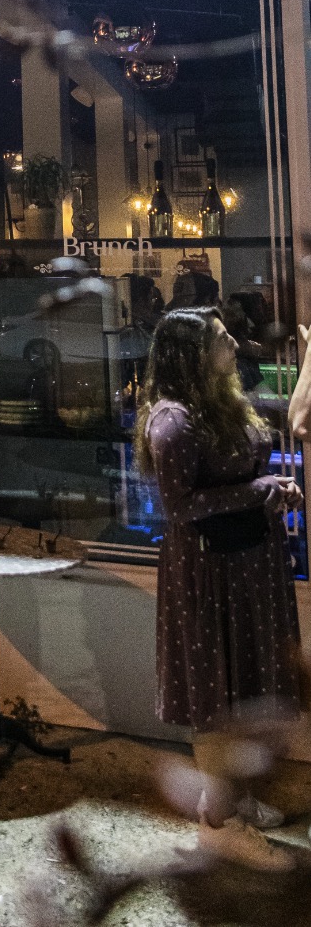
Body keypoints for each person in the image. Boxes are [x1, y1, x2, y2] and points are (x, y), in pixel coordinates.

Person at [134, 308, 302, 835]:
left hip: (249, 561)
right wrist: (261, 490)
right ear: (194, 355)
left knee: (247, 682)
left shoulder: (221, 402)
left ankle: (236, 796)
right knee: (215, 688)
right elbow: (179, 506)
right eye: (222, 338)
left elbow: (238, 476)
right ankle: (220, 815)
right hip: (209, 571)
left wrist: (272, 489)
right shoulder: (173, 421)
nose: (234, 343)